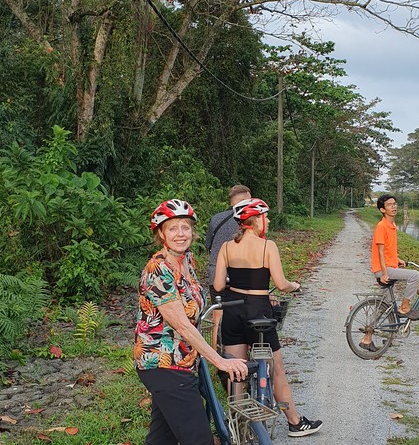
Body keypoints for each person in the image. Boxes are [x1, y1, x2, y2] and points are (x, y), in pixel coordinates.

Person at [134, 199, 248, 445]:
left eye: (185, 227)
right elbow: (183, 325)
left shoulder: (186, 261)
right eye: (172, 228)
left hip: (183, 360)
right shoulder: (157, 270)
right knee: (198, 438)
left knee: (161, 438)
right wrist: (219, 360)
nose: (180, 233)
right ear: (161, 233)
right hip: (163, 363)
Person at [214, 197, 323, 438]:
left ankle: (237, 425)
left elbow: (218, 284)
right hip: (258, 310)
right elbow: (281, 284)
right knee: (277, 369)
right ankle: (295, 422)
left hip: (233, 309)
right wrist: (295, 286)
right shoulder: (267, 246)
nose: (270, 220)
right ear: (255, 221)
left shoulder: (226, 247)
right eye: (266, 216)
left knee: (237, 368)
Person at [360, 194, 419, 352]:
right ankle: (405, 307)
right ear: (382, 209)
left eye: (395, 204)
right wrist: (385, 273)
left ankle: (366, 339)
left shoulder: (392, 225)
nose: (394, 207)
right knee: (414, 276)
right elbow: (380, 252)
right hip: (383, 269)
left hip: (387, 266)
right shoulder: (382, 226)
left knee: (383, 306)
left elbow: (388, 251)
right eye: (389, 205)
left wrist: (398, 259)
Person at [204, 184, 251, 348]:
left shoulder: (216, 218)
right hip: (241, 274)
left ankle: (217, 358)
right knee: (242, 314)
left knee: (217, 315)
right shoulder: (250, 219)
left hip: (215, 271)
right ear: (245, 198)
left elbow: (208, 244)